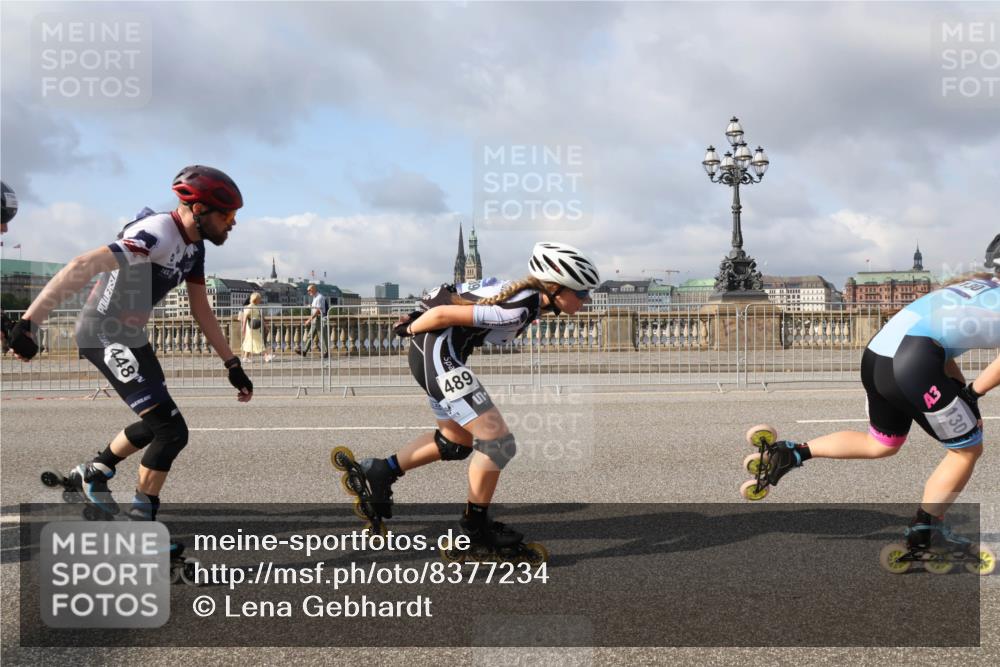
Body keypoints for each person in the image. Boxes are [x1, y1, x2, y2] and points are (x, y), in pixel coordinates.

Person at [7, 165, 254, 526]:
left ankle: (94, 471)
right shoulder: (156, 234)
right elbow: (83, 264)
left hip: (131, 338)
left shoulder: (194, 247)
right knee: (171, 431)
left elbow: (201, 308)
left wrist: (232, 363)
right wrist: (29, 323)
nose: (233, 222)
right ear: (199, 209)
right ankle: (142, 522)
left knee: (158, 423)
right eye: (228, 214)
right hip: (103, 333)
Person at [745, 233, 1000, 562]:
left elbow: (937, 337)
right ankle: (927, 533)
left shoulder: (975, 286)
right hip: (913, 362)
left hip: (880, 354)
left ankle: (792, 453)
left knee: (882, 443)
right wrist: (970, 393)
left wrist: (960, 393)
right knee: (966, 450)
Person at [341, 241, 600, 561]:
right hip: (438, 356)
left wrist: (415, 316)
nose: (586, 300)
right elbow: (442, 313)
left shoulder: (524, 296)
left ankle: (382, 470)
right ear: (555, 287)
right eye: (582, 292)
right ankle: (475, 529)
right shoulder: (519, 306)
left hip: (436, 354)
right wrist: (410, 326)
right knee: (499, 443)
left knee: (455, 441)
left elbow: (452, 290)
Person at [298, 283, 328, 358]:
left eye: (309, 290)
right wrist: (310, 306)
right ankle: (304, 351)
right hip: (316, 318)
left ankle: (326, 352)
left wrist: (309, 319)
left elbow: (318, 310)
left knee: (322, 336)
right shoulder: (315, 298)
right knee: (310, 335)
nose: (308, 292)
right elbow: (316, 308)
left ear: (314, 289)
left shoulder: (319, 297)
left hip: (319, 318)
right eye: (308, 290)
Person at [240, 291, 271, 362]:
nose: (260, 300)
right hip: (251, 328)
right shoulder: (250, 307)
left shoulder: (256, 307)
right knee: (259, 341)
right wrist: (243, 328)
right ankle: (266, 356)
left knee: (250, 341)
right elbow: (245, 318)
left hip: (254, 328)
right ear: (255, 299)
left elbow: (260, 319)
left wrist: (266, 327)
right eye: (259, 299)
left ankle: (245, 357)